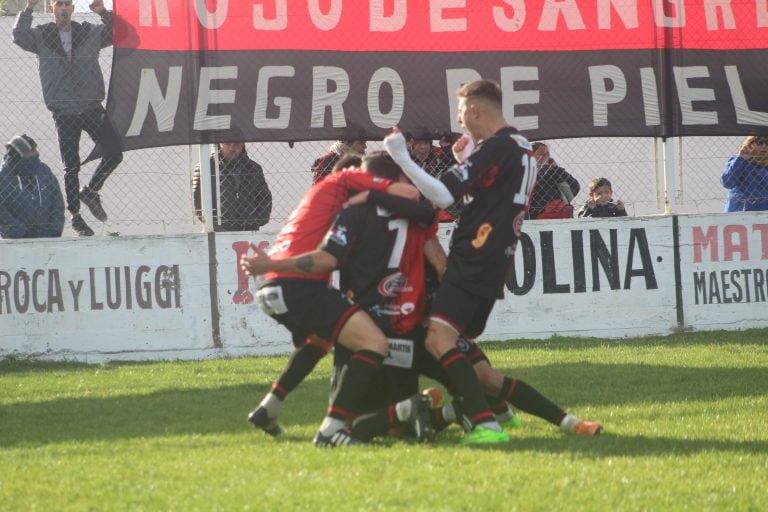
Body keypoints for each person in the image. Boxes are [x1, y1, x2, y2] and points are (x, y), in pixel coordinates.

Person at [382, 79, 541, 445]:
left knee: (438, 339)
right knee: (457, 344)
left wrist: (400, 155)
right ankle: (494, 413)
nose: (458, 119)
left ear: (474, 110)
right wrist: (464, 163)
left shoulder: (494, 147)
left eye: (459, 111)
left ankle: (485, 423)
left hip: (472, 259)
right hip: (495, 261)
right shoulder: (522, 146)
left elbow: (442, 195)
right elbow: (490, 196)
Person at [240, 157, 422, 447]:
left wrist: (269, 266)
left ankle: (269, 407)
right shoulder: (343, 181)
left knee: (321, 340)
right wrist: (373, 191)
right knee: (373, 343)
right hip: (296, 285)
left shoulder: (317, 200)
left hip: (271, 289)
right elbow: (410, 194)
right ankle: (331, 431)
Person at [13, 0, 123, 237]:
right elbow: (19, 36)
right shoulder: (41, 35)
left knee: (115, 152)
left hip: (92, 106)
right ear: (51, 9)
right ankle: (76, 217)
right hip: (64, 112)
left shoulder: (87, 32)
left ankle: (91, 191)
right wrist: (30, 8)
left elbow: (118, 33)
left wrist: (103, 12)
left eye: (67, 4)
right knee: (71, 165)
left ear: (73, 8)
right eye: (58, 4)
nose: (63, 9)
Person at [191, 140, 272, 232]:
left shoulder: (253, 168)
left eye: (236, 144)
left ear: (242, 144)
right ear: (219, 143)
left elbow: (265, 198)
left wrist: (257, 221)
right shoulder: (205, 167)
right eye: (228, 144)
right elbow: (199, 203)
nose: (232, 148)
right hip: (217, 233)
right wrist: (215, 226)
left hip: (249, 231)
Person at [0, 134, 65, 238]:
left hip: (48, 236)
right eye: (33, 149)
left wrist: (54, 230)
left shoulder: (44, 171)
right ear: (23, 153)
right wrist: (21, 233)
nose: (37, 153)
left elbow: (57, 202)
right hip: (16, 240)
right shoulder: (3, 177)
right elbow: (2, 213)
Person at [407, 126, 460, 222]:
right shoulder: (406, 159)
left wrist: (446, 148)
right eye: (419, 143)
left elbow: (454, 165)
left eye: (426, 143)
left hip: (436, 202)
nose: (423, 147)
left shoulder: (438, 156)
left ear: (430, 144)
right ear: (412, 144)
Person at [527, 142, 580, 220]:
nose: (546, 157)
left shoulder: (555, 172)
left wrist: (556, 169)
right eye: (541, 154)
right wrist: (545, 169)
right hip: (537, 217)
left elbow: (575, 188)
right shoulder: (526, 174)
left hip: (560, 215)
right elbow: (542, 190)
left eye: (547, 154)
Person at [721, 135, 768, 212]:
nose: (764, 146)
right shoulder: (740, 160)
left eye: (767, 143)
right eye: (759, 142)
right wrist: (741, 159)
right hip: (741, 212)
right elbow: (727, 182)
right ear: (750, 144)